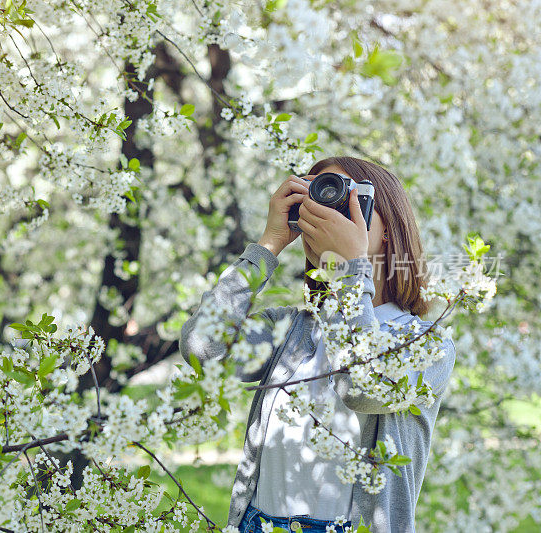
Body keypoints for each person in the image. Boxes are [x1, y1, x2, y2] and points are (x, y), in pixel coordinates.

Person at [179, 156, 456, 533]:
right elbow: (203, 350)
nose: (324, 220)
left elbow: (361, 386)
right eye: (314, 205)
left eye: (346, 207)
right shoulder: (291, 328)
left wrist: (348, 269)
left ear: (388, 228)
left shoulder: (427, 343)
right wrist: (269, 244)